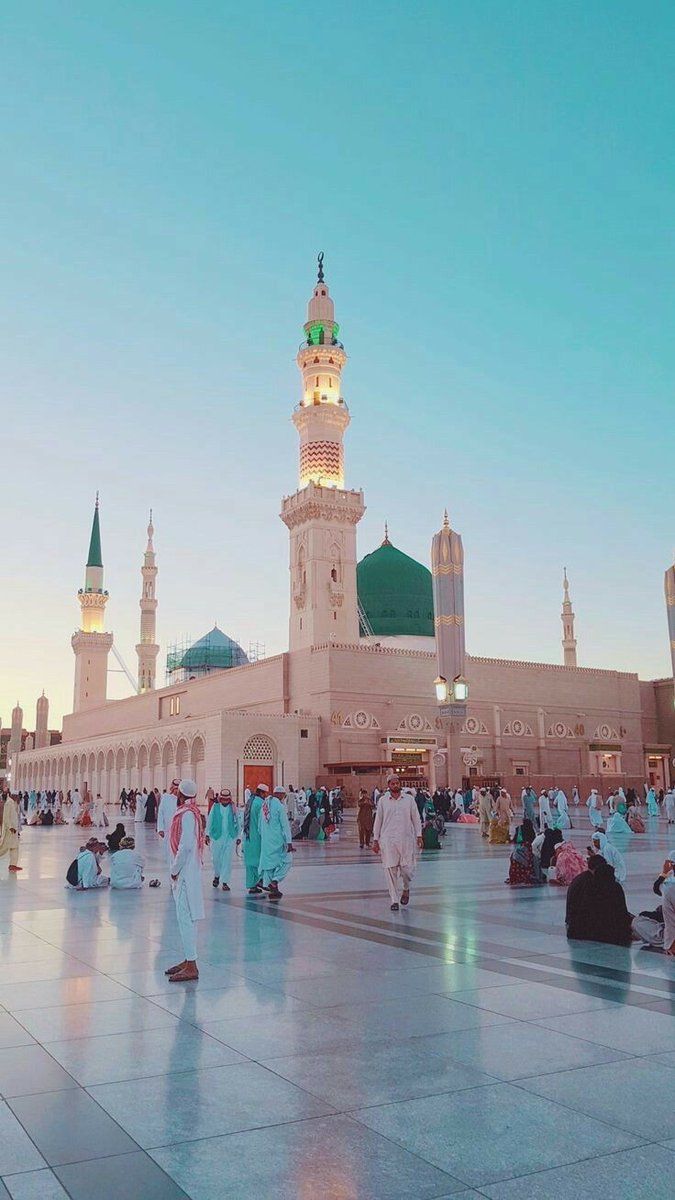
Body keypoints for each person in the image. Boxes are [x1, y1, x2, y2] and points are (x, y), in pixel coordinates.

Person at [166, 779, 205, 982]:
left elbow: (186, 845)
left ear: (181, 795)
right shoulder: (190, 813)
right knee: (187, 918)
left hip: (184, 874)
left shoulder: (187, 815)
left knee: (185, 917)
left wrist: (174, 869)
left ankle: (192, 965)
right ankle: (189, 958)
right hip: (189, 871)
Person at [372, 774, 423, 911]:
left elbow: (416, 818)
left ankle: (406, 888)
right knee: (390, 869)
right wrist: (375, 839)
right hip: (388, 840)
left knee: (407, 869)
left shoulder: (409, 800)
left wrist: (419, 835)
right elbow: (378, 821)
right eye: (392, 784)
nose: (395, 785)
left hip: (406, 840)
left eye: (397, 783)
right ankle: (394, 900)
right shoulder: (383, 801)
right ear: (388, 785)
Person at [565, 855, 633, 946]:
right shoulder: (610, 887)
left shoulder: (586, 881)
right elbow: (620, 913)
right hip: (596, 929)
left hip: (577, 925)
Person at [632, 853, 675, 953]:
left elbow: (656, 888)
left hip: (671, 935)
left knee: (637, 922)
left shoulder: (669, 887)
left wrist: (664, 873)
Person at [258, 786, 293, 901]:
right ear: (281, 795)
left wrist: (263, 836)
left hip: (266, 840)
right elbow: (285, 825)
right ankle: (275, 881)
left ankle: (272, 887)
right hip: (277, 840)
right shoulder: (279, 806)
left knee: (269, 864)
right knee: (288, 860)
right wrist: (289, 842)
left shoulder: (265, 804)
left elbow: (259, 824)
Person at [205, 788, 239, 891]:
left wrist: (238, 837)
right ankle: (217, 875)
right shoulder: (215, 807)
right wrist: (207, 834)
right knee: (216, 859)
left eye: (227, 800)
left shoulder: (233, 808)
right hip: (216, 837)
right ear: (220, 799)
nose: (225, 801)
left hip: (230, 837)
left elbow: (238, 822)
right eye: (223, 799)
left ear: (229, 799)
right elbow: (210, 820)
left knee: (227, 860)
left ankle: (225, 882)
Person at [243, 783, 267, 893]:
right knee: (260, 860)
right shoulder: (261, 803)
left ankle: (252, 885)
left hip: (248, 837)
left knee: (250, 862)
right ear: (262, 793)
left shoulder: (250, 801)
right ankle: (260, 881)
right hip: (258, 837)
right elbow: (264, 822)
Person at [507, 820, 542, 886]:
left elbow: (515, 839)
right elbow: (533, 838)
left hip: (515, 876)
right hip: (527, 847)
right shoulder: (530, 855)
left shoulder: (518, 828)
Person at [157, 780, 179, 865]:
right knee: (169, 853)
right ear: (172, 789)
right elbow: (161, 813)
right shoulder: (166, 798)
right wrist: (160, 828)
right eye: (176, 789)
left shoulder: (183, 800)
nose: (177, 791)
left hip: (179, 831)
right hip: (168, 830)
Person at [0, 794, 21, 874]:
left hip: (14, 830)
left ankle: (13, 865)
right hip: (10, 830)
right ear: (13, 796)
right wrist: (10, 827)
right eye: (17, 796)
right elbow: (6, 817)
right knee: (4, 848)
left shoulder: (13, 803)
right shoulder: (9, 803)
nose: (18, 798)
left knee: (15, 847)